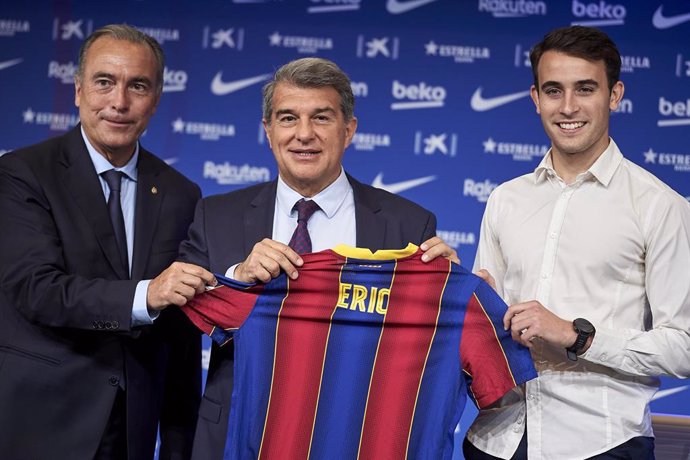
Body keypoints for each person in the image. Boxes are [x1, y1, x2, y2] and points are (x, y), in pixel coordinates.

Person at [174, 57, 459, 459]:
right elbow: (180, 319)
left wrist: (449, 291)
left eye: (321, 118)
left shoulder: (408, 225)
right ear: (268, 131)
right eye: (288, 118)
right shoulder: (215, 215)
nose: (303, 134)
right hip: (240, 436)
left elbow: (431, 349)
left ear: (349, 130)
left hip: (356, 437)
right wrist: (237, 276)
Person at [464, 25, 690, 459]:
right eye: (554, 90)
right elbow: (488, 320)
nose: (568, 107)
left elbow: (682, 346)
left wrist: (577, 336)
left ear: (615, 94)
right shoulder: (505, 199)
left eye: (585, 89)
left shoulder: (658, 205)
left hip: (599, 443)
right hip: (495, 438)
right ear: (535, 99)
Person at [0, 24, 214, 459]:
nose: (119, 102)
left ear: (155, 100)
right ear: (78, 90)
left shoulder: (180, 193)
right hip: (38, 424)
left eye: (138, 86)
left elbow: (182, 336)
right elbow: (37, 290)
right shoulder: (22, 174)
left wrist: (178, 445)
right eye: (104, 82)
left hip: (132, 431)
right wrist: (146, 295)